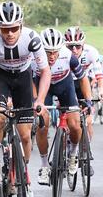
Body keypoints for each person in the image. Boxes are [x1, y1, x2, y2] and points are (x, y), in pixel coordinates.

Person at [0, 1, 51, 197]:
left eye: (14, 28)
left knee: (26, 135)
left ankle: (24, 178)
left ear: (21, 25)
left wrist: (41, 100)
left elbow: (45, 71)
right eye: (5, 29)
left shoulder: (32, 38)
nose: (9, 34)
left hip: (23, 78)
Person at [32, 28, 92, 185]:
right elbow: (30, 82)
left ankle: (72, 155)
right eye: (47, 52)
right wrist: (35, 101)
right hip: (44, 87)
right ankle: (44, 166)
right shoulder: (33, 58)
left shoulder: (68, 56)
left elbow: (83, 79)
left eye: (54, 52)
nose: (51, 56)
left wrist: (88, 100)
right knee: (42, 124)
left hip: (65, 86)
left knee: (75, 125)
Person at [65, 27, 103, 139]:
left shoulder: (91, 52)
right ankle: (65, 148)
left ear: (83, 45)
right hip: (67, 82)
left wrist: (102, 91)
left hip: (84, 82)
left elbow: (99, 76)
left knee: (87, 121)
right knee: (66, 121)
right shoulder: (62, 54)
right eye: (70, 47)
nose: (74, 50)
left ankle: (86, 147)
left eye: (78, 46)